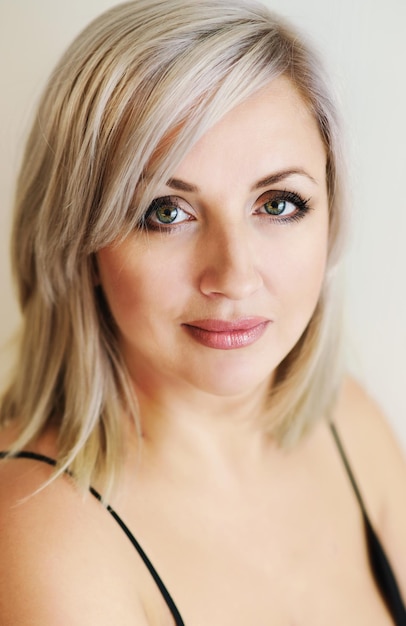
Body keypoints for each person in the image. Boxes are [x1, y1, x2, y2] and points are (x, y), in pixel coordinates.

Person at [0, 0, 405, 624]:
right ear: (79, 240)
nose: (235, 276)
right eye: (167, 211)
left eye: (279, 204)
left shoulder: (349, 422)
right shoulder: (44, 535)